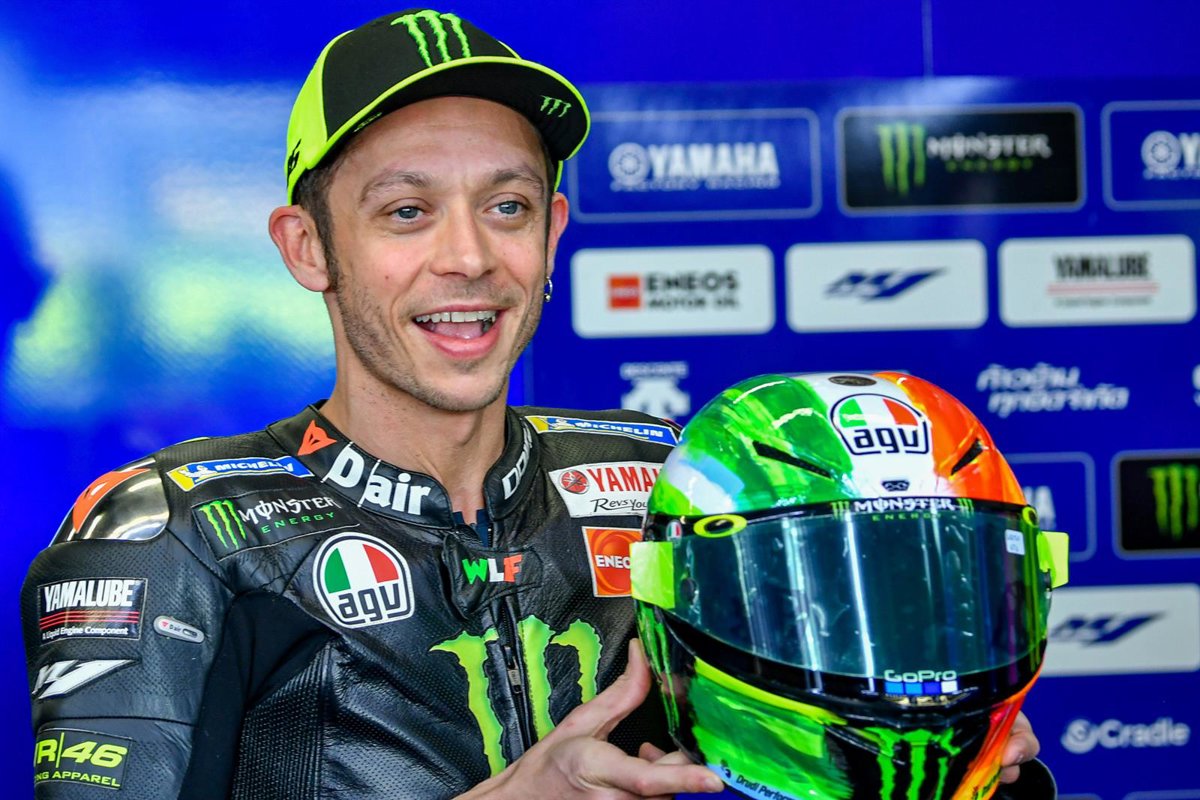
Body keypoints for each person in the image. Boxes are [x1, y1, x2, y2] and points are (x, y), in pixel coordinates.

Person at [21, 9, 1041, 799]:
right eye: (407, 211)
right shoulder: (179, 531)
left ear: (551, 232)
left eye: (506, 206)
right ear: (308, 246)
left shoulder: (675, 485)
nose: (468, 257)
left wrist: (937, 760)